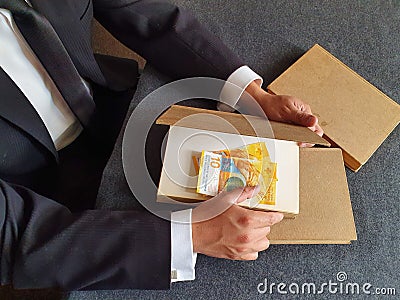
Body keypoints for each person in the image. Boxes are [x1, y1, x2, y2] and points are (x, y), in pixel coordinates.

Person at [0, 0, 322, 290]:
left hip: (111, 99)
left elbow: (137, 7)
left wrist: (251, 96)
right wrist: (190, 236)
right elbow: (9, 237)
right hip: (46, 198)